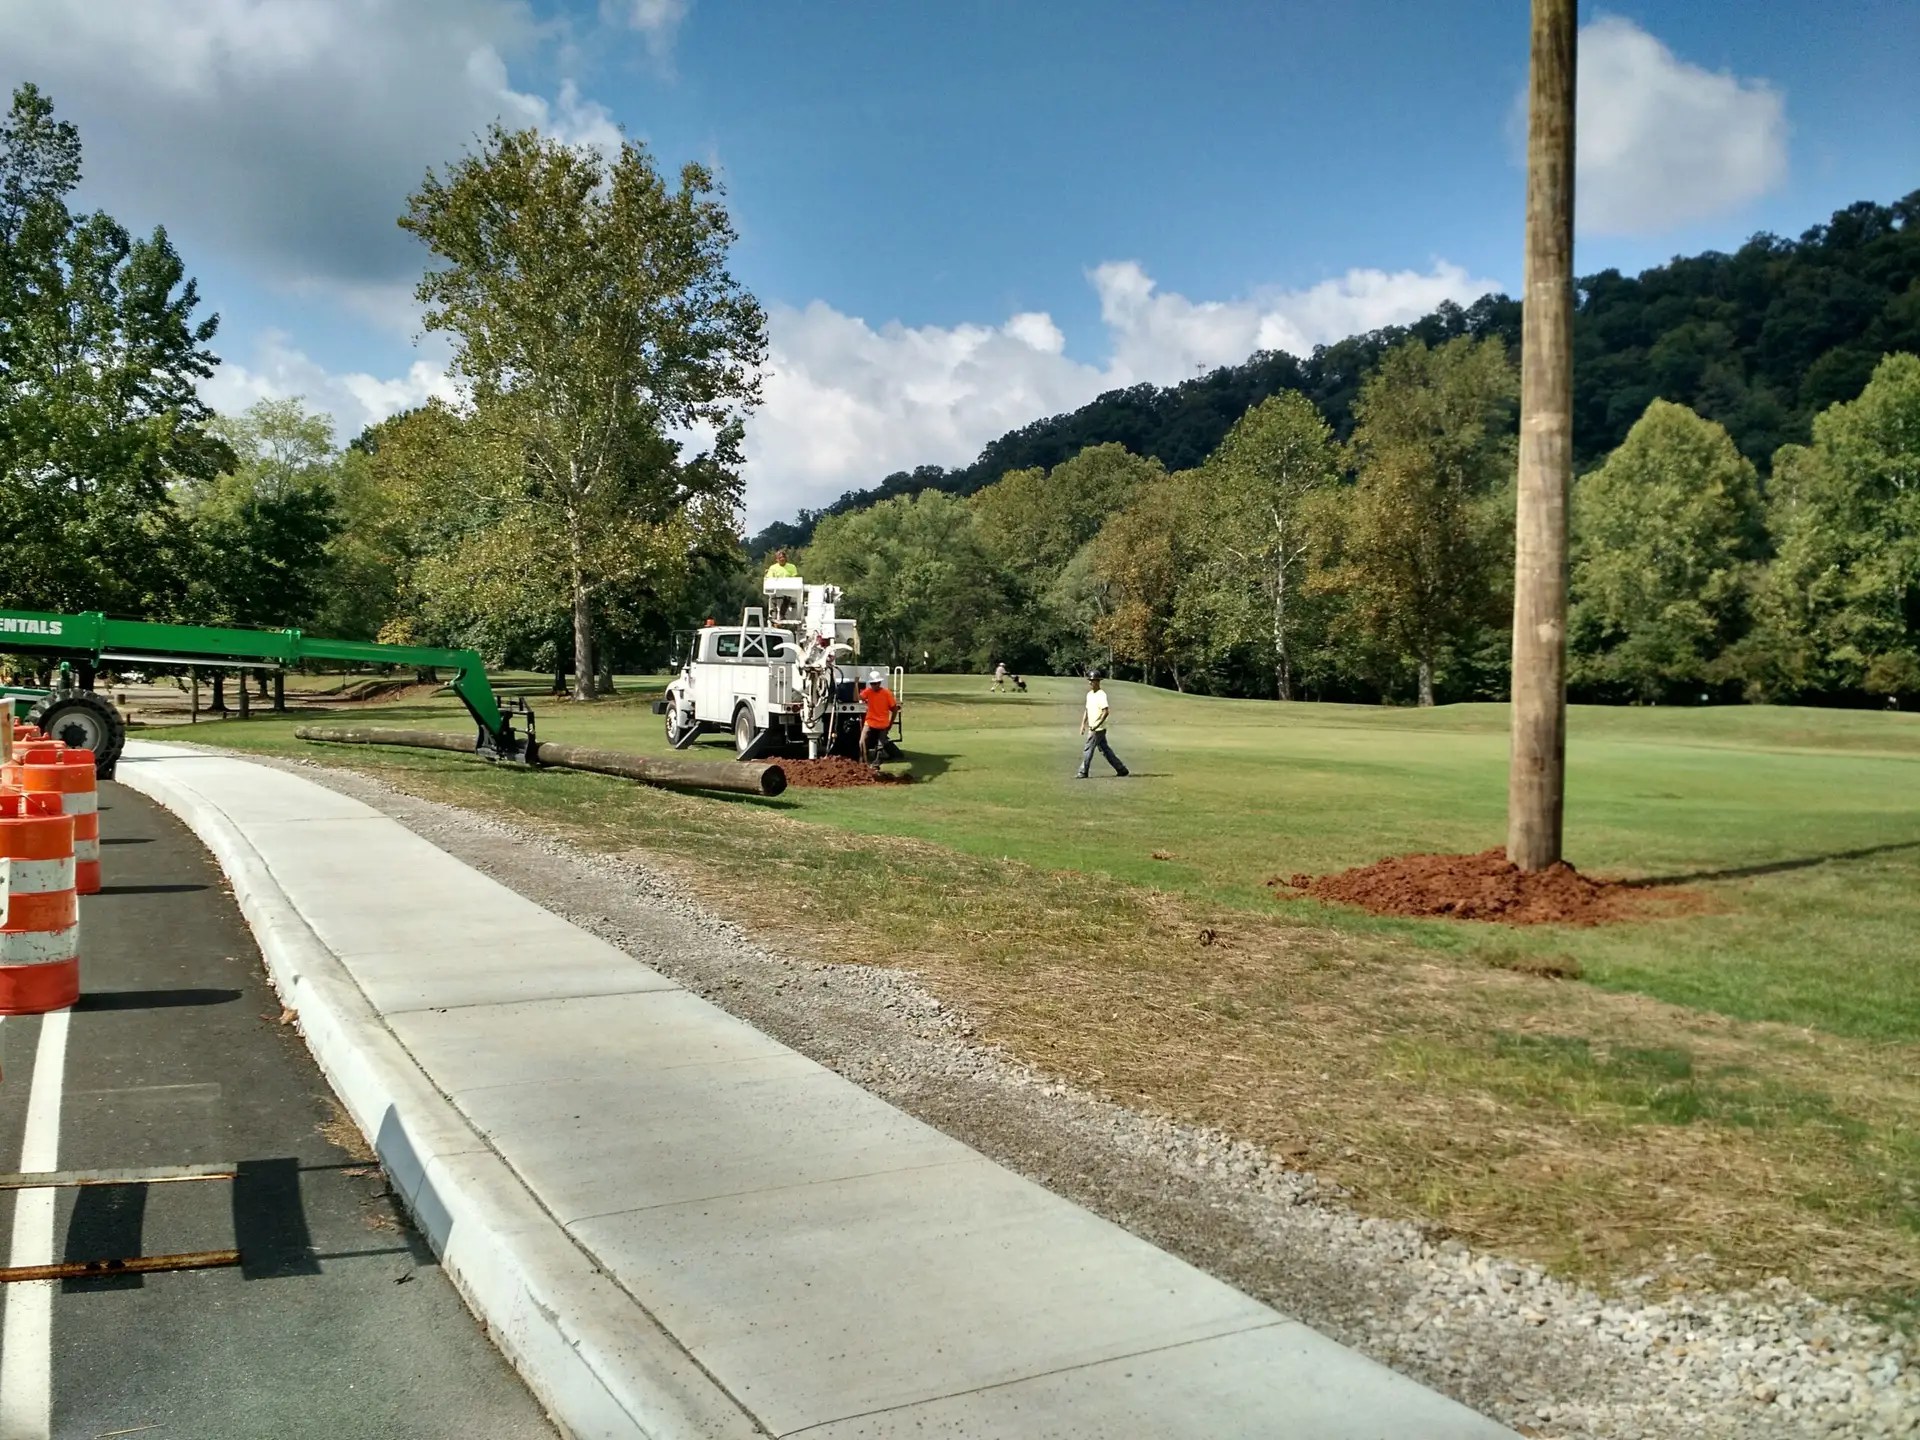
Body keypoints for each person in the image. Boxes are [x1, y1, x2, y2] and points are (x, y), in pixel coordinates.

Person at [1076, 668, 1128, 778]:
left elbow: (1106, 712)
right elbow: (1087, 710)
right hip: (1093, 727)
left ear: (1098, 681)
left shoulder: (1101, 695)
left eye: (1093, 680)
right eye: (1089, 680)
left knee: (1088, 748)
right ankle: (1121, 769)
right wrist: (1083, 724)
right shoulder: (1089, 694)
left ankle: (1083, 772)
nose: (1090, 682)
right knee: (1105, 750)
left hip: (1098, 728)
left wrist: (1097, 725)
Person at [859, 668, 898, 768]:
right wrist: (855, 684)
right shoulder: (868, 692)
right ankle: (864, 763)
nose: (874, 685)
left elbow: (894, 709)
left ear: (879, 683)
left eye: (876, 683)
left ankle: (876, 764)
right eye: (872, 683)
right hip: (870, 721)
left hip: (882, 724)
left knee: (880, 746)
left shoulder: (886, 693)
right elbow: (857, 698)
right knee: (862, 741)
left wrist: (890, 723)